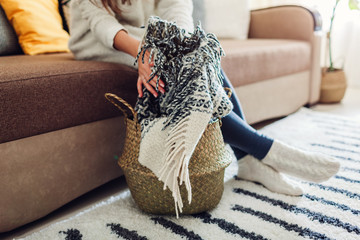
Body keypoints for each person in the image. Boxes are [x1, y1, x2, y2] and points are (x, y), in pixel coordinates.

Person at [68, 0, 340, 196]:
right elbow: (101, 23)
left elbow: (178, 8)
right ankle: (264, 149)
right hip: (102, 41)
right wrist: (145, 54)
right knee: (172, 71)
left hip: (149, 38)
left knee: (201, 57)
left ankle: (247, 161)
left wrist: (183, 50)